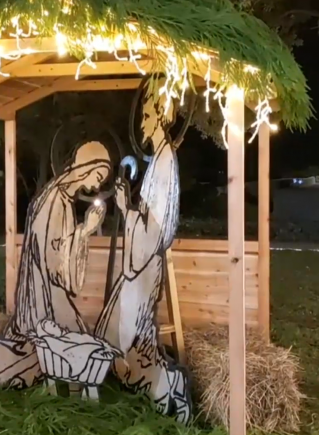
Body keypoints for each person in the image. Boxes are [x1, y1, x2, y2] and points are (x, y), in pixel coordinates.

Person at [0, 141, 110, 401]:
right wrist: (86, 230)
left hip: (51, 293)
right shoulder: (54, 201)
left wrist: (81, 232)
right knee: (34, 353)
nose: (98, 186)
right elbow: (54, 263)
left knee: (78, 341)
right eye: (98, 176)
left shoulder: (61, 198)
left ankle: (69, 387)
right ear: (86, 168)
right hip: (44, 299)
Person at [94, 92, 192, 423]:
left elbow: (155, 229)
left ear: (161, 120)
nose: (144, 124)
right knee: (115, 330)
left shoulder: (165, 162)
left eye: (148, 117)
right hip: (141, 262)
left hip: (145, 263)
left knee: (127, 336)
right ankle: (149, 383)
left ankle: (165, 386)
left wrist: (125, 209)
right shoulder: (160, 160)